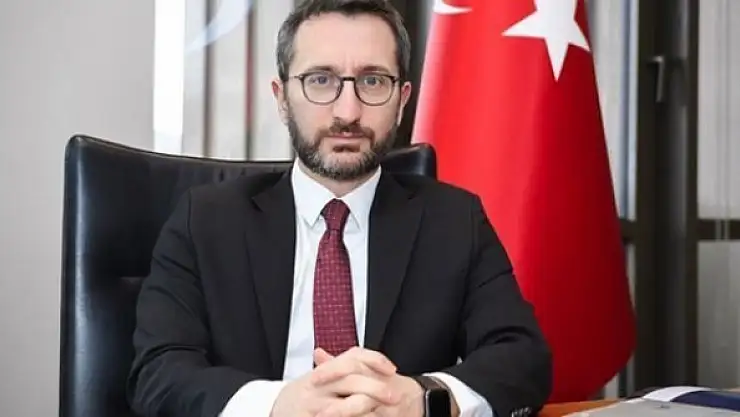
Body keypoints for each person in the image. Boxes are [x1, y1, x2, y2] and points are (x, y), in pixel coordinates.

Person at [127, 0, 552, 416]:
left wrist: (424, 398)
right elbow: (158, 373)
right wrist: (277, 405)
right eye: (320, 80)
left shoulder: (454, 221)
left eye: (372, 81)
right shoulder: (204, 221)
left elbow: (522, 358)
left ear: (402, 100)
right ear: (281, 97)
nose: (347, 112)